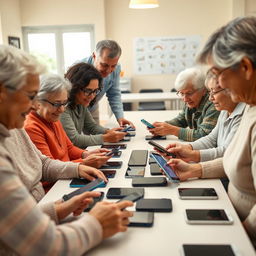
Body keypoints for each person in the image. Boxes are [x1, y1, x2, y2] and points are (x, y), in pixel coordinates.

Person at [0, 44, 133, 255]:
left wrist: (59, 207)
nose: (33, 106)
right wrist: (97, 224)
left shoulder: (12, 127)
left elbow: (41, 163)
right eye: (30, 96)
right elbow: (47, 246)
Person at [166, 16, 256, 244]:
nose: (218, 84)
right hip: (233, 218)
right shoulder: (250, 107)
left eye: (218, 73)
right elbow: (234, 159)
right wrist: (193, 170)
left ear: (245, 67)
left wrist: (241, 235)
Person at [24, 73, 111, 168]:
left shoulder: (52, 118)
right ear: (37, 101)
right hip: (56, 182)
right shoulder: (31, 127)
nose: (61, 110)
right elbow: (49, 168)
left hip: (66, 174)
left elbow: (69, 148)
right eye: (56, 104)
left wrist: (86, 154)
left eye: (64, 103)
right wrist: (83, 162)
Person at [165, 76, 246, 162]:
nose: (210, 98)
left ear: (231, 90)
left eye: (214, 92)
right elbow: (211, 139)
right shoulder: (225, 110)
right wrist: (188, 147)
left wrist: (193, 155)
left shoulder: (242, 116)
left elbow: (227, 152)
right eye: (210, 92)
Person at [60, 62, 127, 148]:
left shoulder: (80, 103)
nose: (92, 96)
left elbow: (91, 127)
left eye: (95, 91)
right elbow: (74, 140)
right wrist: (105, 138)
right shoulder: (62, 108)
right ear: (74, 87)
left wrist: (108, 132)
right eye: (88, 91)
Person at [148, 66, 220, 141]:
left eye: (189, 93)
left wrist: (172, 130)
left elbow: (203, 135)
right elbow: (181, 120)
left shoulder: (214, 103)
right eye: (181, 93)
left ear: (203, 90)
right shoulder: (191, 101)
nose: (185, 99)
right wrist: (162, 127)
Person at [80, 39, 134, 127]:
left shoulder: (117, 69)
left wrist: (120, 117)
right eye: (104, 65)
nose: (109, 71)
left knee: (95, 136)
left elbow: (114, 94)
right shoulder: (78, 69)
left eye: (113, 66)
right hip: (74, 111)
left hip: (92, 108)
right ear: (94, 56)